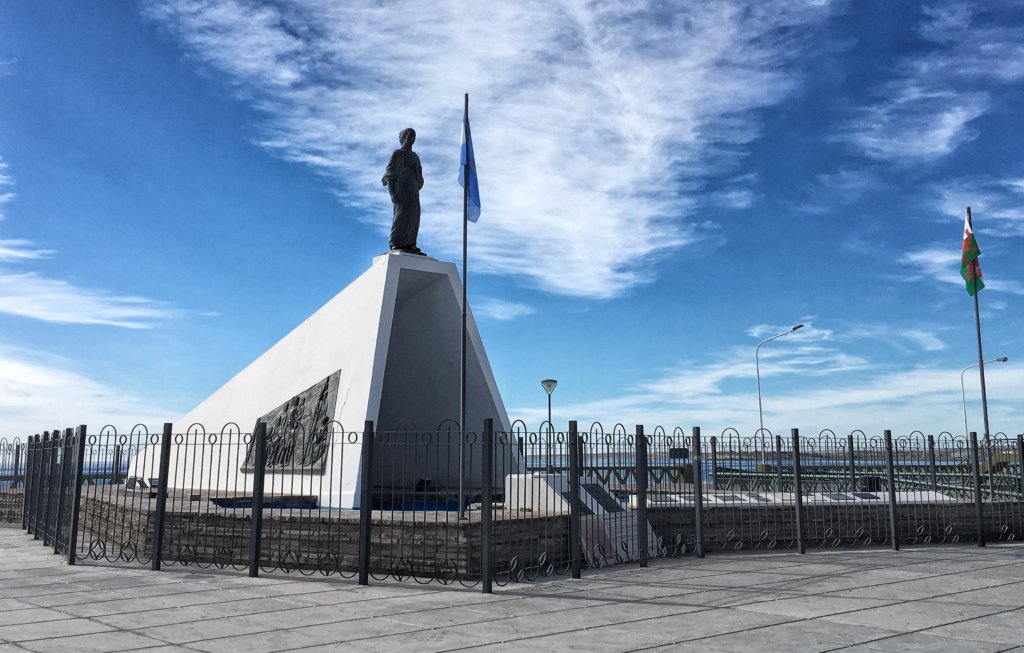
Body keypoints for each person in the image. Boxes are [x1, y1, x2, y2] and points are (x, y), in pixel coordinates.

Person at [382, 128, 425, 254]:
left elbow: (419, 176)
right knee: (400, 215)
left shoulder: (415, 157)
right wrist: (392, 193)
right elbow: (389, 175)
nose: (412, 138)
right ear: (403, 138)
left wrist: (419, 178)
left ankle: (410, 243)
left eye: (414, 136)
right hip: (401, 188)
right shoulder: (397, 154)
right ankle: (395, 242)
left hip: (412, 189)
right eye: (409, 135)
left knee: (414, 215)